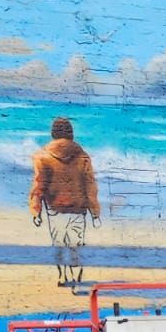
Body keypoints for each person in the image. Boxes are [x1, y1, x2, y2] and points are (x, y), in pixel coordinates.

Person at [29, 116, 101, 288]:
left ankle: (63, 276)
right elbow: (90, 186)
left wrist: (36, 210)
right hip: (78, 210)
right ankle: (76, 277)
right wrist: (95, 213)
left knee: (59, 244)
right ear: (71, 134)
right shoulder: (83, 157)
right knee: (76, 244)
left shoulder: (42, 157)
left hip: (55, 209)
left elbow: (39, 186)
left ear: (53, 134)